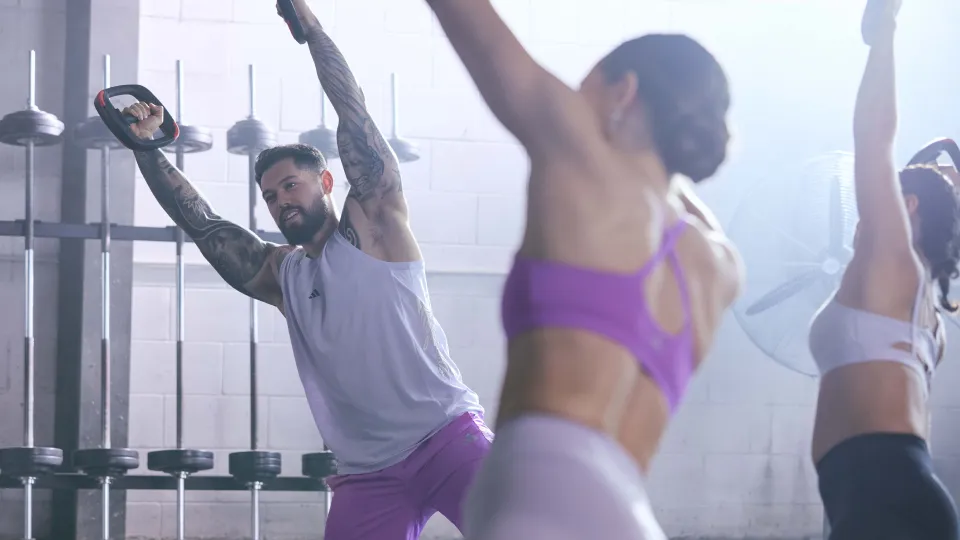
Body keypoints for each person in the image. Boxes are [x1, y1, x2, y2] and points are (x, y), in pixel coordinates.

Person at [121, 0, 492, 537]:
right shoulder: (284, 276)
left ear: (325, 183)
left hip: (448, 439)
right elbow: (204, 227)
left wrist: (312, 31)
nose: (280, 202)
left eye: (290, 186)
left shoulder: (374, 226)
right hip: (369, 476)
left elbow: (354, 117)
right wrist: (147, 150)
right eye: (270, 197)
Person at [423, 1, 743, 539]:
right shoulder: (721, 266)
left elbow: (474, 26)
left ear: (624, 93)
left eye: (582, 90)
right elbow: (672, 192)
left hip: (542, 500)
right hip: (627, 513)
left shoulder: (582, 161)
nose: (573, 104)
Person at [808, 1, 960, 538]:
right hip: (881, 497)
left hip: (885, 497)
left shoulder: (894, 257)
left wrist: (883, 33)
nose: (869, 208)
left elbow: (873, 135)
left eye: (889, 195)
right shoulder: (920, 308)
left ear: (908, 209)